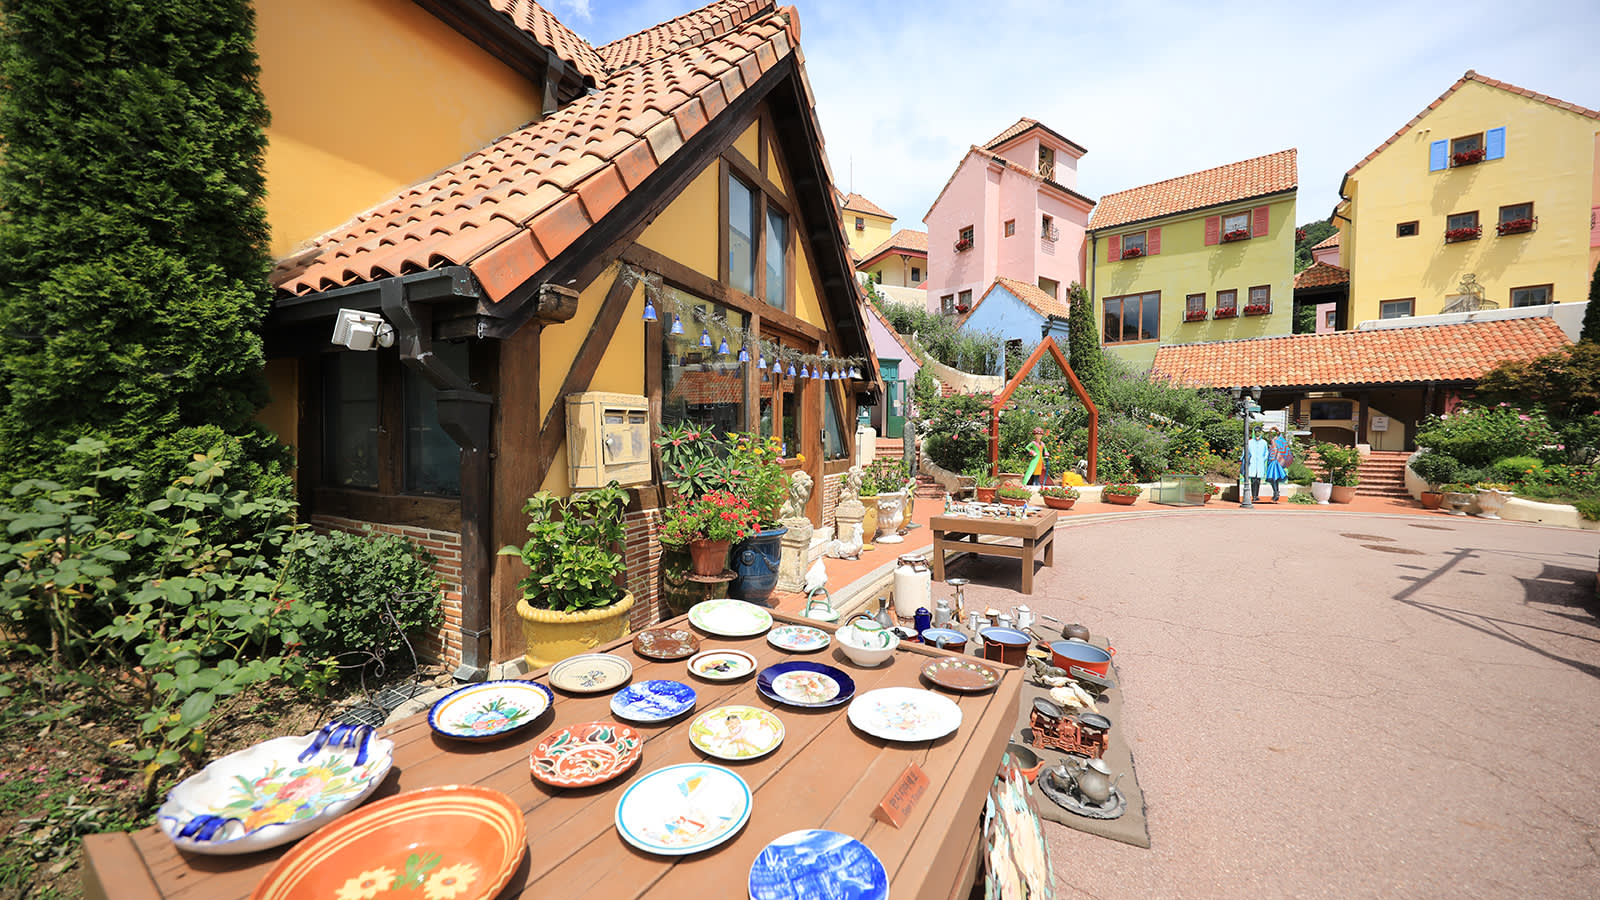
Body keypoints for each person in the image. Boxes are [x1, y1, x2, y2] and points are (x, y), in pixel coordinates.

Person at [1263, 427, 1292, 502]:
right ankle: (1276, 492)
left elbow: (1281, 452)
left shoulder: (1279, 442)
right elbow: (1269, 437)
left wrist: (1276, 430)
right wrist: (1270, 431)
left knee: (1274, 478)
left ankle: (1276, 493)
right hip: (1270, 462)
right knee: (1273, 479)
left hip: (1275, 462)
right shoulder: (1272, 444)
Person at [1243, 428, 1269, 503]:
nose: (1258, 433)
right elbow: (1245, 451)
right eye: (1256, 432)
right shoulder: (1250, 442)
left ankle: (1256, 495)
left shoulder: (1264, 442)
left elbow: (1266, 452)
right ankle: (1253, 495)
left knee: (1258, 480)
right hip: (1252, 463)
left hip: (1260, 463)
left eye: (1259, 432)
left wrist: (1263, 459)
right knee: (1253, 480)